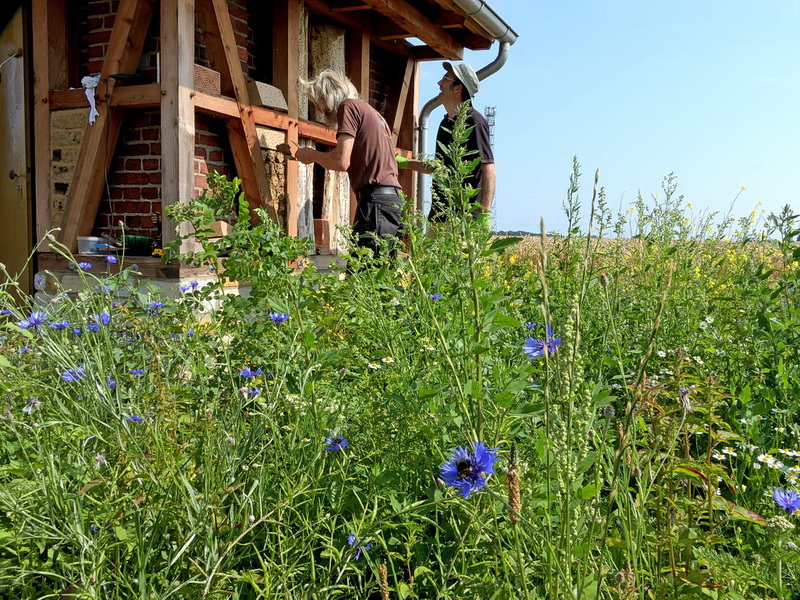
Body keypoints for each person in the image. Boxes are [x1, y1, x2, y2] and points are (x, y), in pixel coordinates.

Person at [295, 69, 404, 260]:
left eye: (318, 102)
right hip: (392, 202)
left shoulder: (348, 107)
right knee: (382, 277)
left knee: (365, 275)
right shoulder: (374, 114)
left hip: (376, 203)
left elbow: (341, 161)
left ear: (329, 96)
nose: (319, 110)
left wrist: (310, 154)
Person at [400, 62, 496, 226]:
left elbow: (488, 169)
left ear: (457, 89)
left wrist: (484, 215)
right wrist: (405, 163)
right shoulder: (445, 123)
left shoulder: (474, 121)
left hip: (464, 217)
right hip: (439, 215)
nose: (439, 83)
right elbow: (439, 169)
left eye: (445, 79)